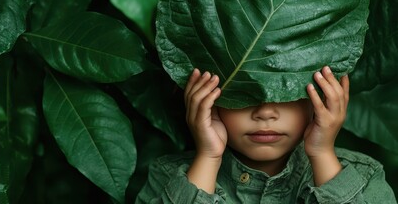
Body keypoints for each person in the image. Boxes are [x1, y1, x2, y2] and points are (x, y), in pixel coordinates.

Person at [136, 66, 396, 203]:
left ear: (322, 97)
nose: (265, 112)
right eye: (245, 94)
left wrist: (322, 153)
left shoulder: (364, 177)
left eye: (287, 93)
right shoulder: (168, 178)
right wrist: (208, 156)